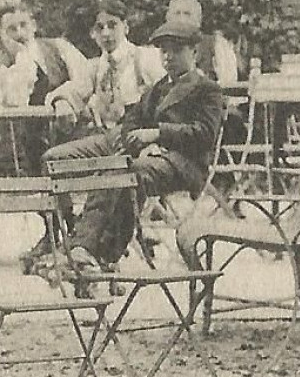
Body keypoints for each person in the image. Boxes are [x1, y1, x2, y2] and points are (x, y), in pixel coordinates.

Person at [41, 20, 226, 273]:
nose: (168, 57)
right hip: (151, 160)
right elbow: (131, 122)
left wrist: (158, 135)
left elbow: (205, 134)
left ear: (194, 52)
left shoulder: (207, 90)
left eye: (176, 50)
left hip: (185, 165)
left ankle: (92, 249)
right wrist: (140, 143)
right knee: (119, 168)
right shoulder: (158, 88)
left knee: (125, 174)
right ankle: (83, 248)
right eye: (164, 51)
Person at [0, 2, 91, 172]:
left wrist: (63, 98)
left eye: (23, 25)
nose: (19, 34)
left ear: (34, 26)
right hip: (21, 153)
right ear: (1, 34)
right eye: (11, 29)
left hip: (68, 135)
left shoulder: (59, 47)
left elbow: (85, 80)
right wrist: (21, 59)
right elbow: (11, 100)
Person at [44, 0, 164, 132]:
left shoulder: (145, 58)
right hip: (106, 137)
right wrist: (61, 102)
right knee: (56, 153)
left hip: (139, 135)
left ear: (125, 27)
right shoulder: (95, 68)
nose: (106, 34)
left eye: (112, 25)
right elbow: (73, 89)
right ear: (92, 33)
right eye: (100, 28)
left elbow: (166, 96)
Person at [165, 0, 240, 84]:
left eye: (187, 14)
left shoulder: (216, 43)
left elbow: (229, 80)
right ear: (168, 19)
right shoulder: (162, 48)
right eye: (177, 13)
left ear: (198, 19)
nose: (181, 19)